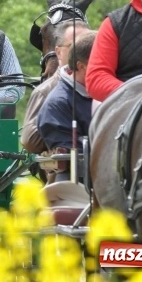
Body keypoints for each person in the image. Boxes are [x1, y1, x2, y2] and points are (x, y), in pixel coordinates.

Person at [21, 20, 90, 154]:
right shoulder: (45, 91)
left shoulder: (106, 84)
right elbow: (29, 140)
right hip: (65, 168)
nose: (82, 52)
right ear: (58, 52)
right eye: (73, 46)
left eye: (86, 46)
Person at [37, 30, 98, 182]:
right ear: (81, 66)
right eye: (100, 62)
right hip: (77, 186)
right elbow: (72, 163)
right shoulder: (57, 104)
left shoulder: (109, 91)